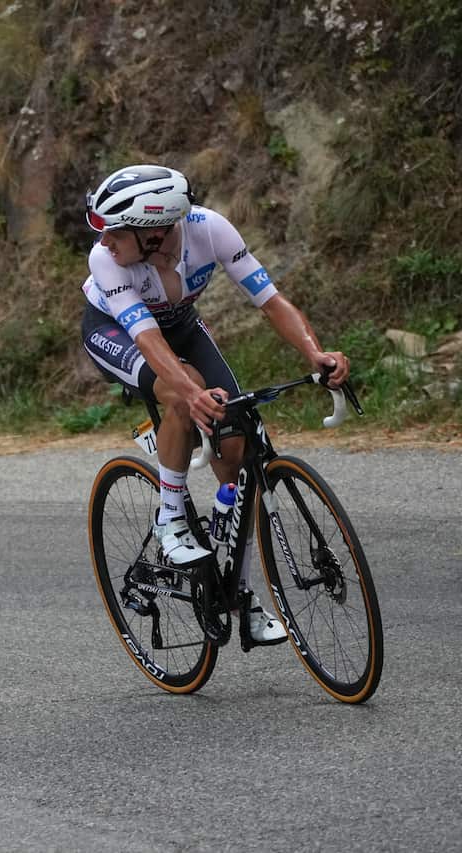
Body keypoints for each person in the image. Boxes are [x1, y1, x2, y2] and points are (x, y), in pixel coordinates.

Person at [79, 165, 349, 644]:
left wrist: (315, 353)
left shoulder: (210, 230)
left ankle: (239, 597)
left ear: (155, 232)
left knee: (237, 449)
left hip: (180, 324)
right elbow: (147, 341)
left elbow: (271, 301)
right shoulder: (108, 263)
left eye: (113, 232)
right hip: (116, 332)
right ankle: (171, 521)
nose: (103, 243)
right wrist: (189, 391)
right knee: (186, 392)